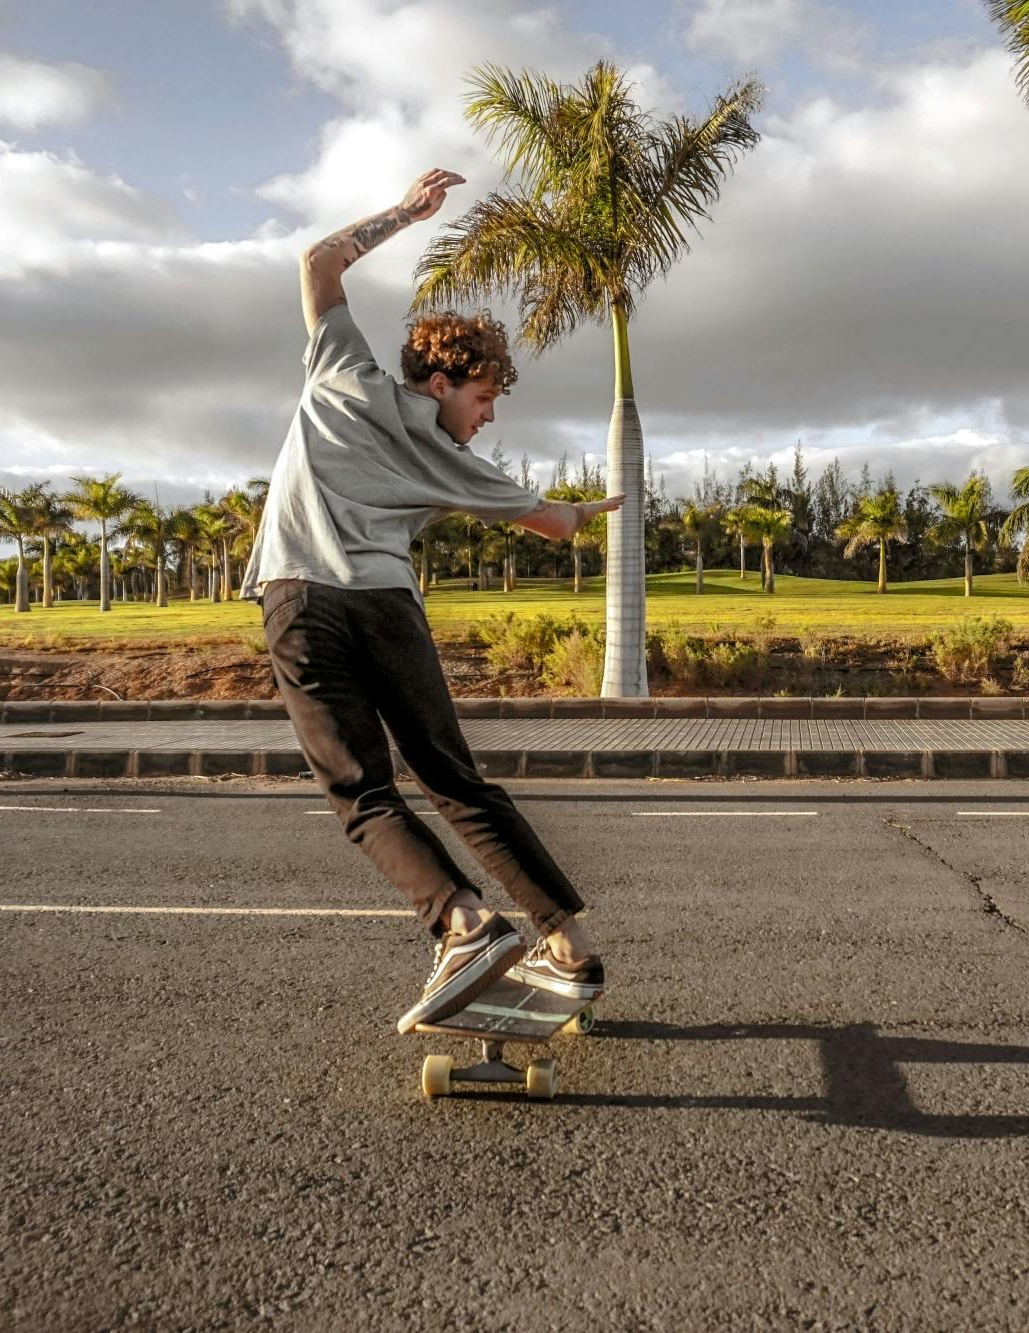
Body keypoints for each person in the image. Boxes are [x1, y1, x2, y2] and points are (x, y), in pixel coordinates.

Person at [239, 168, 622, 1034]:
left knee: (362, 792)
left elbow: (319, 263)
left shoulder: (341, 368)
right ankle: (566, 943)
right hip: (386, 607)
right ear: (445, 379)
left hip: (301, 603)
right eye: (483, 398)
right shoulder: (456, 463)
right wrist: (585, 512)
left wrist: (407, 215)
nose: (486, 419)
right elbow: (552, 522)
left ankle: (464, 924)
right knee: (454, 778)